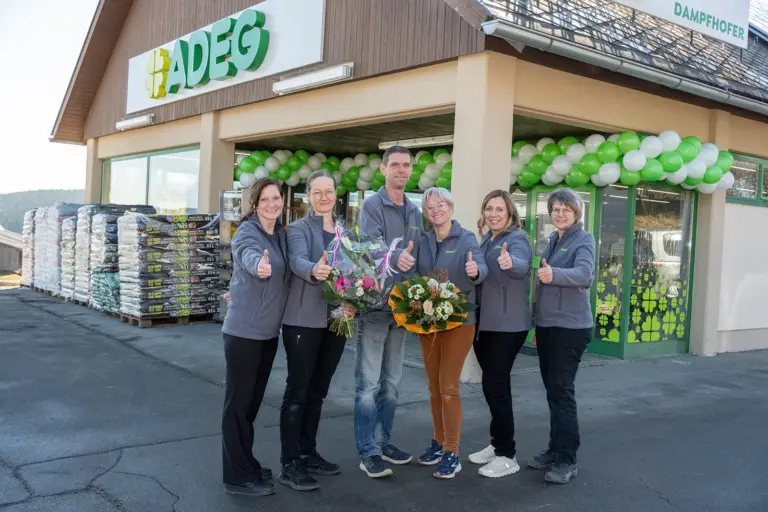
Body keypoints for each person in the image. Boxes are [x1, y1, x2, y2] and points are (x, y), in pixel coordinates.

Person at [279, 170, 355, 492]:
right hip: (303, 320)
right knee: (298, 390)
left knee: (319, 390)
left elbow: (354, 273)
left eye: (329, 191)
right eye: (317, 192)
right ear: (308, 195)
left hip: (337, 320)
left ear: (336, 194)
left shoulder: (345, 232)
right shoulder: (298, 229)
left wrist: (354, 300)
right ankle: (289, 462)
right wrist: (315, 269)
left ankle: (308, 452)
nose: (324, 197)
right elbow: (296, 260)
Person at [354, 145, 423, 478]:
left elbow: (420, 254)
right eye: (395, 164)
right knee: (368, 384)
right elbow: (371, 246)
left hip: (402, 308)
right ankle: (367, 450)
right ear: (383, 169)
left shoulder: (414, 211)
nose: (401, 170)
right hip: (376, 306)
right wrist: (396, 257)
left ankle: (384, 442)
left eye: (406, 165)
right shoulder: (372, 206)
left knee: (392, 383)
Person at [220, 178, 289, 497]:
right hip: (244, 332)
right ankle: (236, 476)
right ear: (256, 203)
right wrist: (256, 265)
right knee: (238, 406)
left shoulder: (280, 236)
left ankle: (246, 462)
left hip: (267, 333)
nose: (272, 204)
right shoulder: (248, 232)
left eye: (276, 198)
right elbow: (246, 254)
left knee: (250, 405)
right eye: (265, 199)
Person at [414, 187, 488, 479]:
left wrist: (474, 271)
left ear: (451, 208)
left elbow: (481, 269)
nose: (436, 211)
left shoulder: (466, 238)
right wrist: (402, 264)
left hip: (459, 323)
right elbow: (414, 275)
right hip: (429, 323)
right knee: (433, 387)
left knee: (448, 387)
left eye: (440, 205)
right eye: (430, 207)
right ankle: (438, 441)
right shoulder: (423, 240)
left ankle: (452, 452)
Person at [528, 188, 595, 485]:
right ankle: (555, 450)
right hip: (549, 327)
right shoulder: (554, 240)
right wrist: (537, 325)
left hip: (570, 328)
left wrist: (554, 274)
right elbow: (542, 288)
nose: (560, 213)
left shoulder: (584, 239)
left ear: (576, 212)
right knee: (554, 392)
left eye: (566, 209)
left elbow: (584, 274)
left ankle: (567, 459)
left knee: (562, 392)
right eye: (555, 209)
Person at [468, 190, 533, 479]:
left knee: (497, 385)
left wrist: (511, 264)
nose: (493, 214)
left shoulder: (517, 239)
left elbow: (520, 264)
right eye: (489, 209)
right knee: (491, 386)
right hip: (485, 323)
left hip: (508, 325)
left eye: (499, 209)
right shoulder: (487, 239)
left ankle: (507, 455)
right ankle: (497, 445)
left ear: (510, 213)